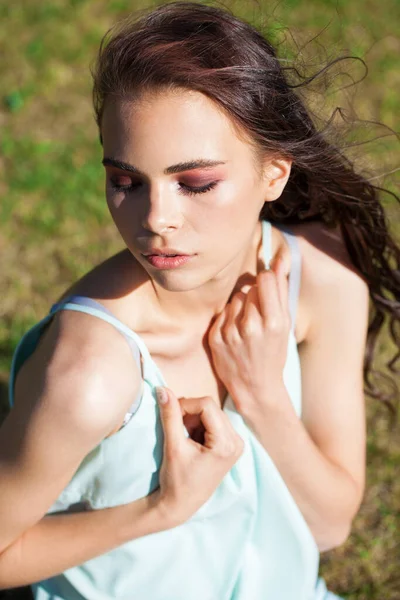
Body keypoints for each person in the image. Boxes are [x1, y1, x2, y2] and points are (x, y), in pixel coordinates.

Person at [0, 2, 399, 599]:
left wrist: (263, 395)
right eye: (126, 182)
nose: (156, 219)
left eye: (197, 183)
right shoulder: (89, 375)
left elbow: (330, 527)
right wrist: (160, 509)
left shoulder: (323, 282)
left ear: (274, 175)